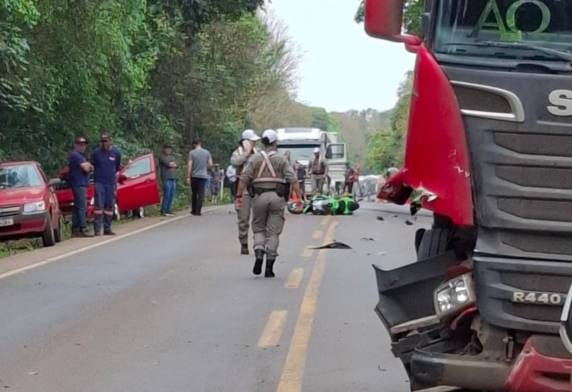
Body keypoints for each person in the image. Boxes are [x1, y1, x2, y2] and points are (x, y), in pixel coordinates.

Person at [236, 129, 301, 278]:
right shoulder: (281, 159)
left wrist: (239, 196)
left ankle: (259, 251)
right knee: (273, 232)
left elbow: (244, 178)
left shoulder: (254, 159)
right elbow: (293, 179)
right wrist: (299, 198)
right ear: (275, 143)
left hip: (258, 197)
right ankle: (269, 267)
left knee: (259, 228)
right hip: (277, 198)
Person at [230, 129, 260, 255]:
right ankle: (244, 243)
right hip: (243, 189)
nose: (254, 143)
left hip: (257, 188)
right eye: (252, 141)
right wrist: (247, 153)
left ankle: (258, 243)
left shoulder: (258, 153)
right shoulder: (238, 152)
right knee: (243, 219)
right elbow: (235, 162)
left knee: (259, 218)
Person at [91, 132, 121, 236]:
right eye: (102, 141)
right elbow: (93, 164)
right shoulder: (96, 153)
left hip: (110, 183)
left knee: (109, 205)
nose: (104, 143)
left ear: (110, 141)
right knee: (98, 205)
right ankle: (97, 229)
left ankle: (107, 228)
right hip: (99, 182)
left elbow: (117, 167)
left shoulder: (116, 153)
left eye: (106, 141)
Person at [68, 136, 93, 237]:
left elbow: (89, 167)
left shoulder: (81, 156)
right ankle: (83, 228)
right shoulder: (75, 155)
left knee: (77, 207)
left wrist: (89, 165)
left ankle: (75, 228)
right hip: (78, 184)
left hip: (80, 184)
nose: (82, 146)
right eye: (80, 144)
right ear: (75, 145)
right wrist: (89, 165)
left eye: (84, 144)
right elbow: (87, 168)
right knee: (82, 207)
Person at [186, 138, 213, 216]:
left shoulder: (192, 153)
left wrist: (188, 176)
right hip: (203, 176)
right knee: (201, 193)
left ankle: (193, 210)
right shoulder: (207, 152)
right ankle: (198, 211)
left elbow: (190, 165)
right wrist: (205, 168)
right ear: (200, 143)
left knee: (194, 193)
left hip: (194, 176)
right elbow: (211, 164)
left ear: (194, 145)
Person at [159, 144, 178, 217]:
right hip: (166, 178)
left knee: (171, 194)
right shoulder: (162, 157)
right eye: (167, 149)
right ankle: (163, 210)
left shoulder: (172, 156)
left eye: (170, 149)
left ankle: (168, 209)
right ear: (164, 149)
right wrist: (172, 164)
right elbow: (168, 164)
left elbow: (176, 165)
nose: (168, 150)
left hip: (173, 177)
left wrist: (172, 164)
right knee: (167, 194)